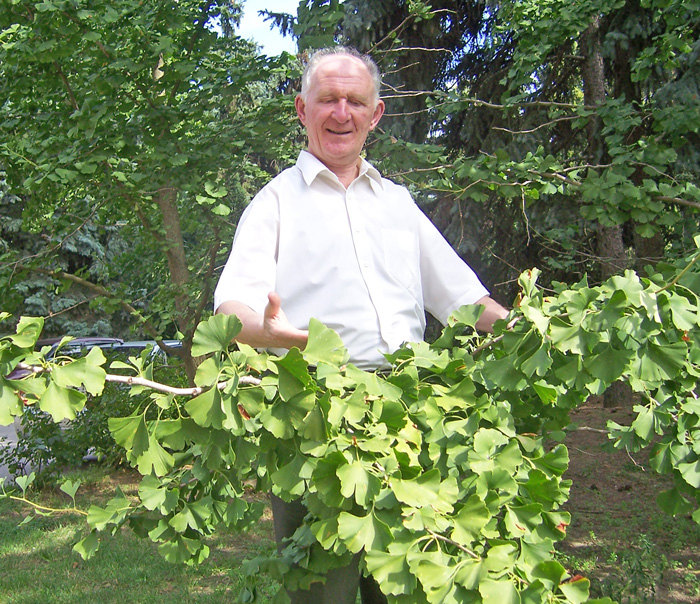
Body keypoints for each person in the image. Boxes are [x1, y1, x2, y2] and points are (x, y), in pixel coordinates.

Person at [214, 46, 509, 604]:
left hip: (411, 410)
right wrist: (269, 334)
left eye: (355, 101)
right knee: (324, 586)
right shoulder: (275, 202)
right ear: (302, 110)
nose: (341, 112)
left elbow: (464, 297)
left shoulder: (397, 203)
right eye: (328, 99)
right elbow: (231, 308)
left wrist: (527, 328)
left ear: (376, 115)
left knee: (409, 579)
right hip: (314, 412)